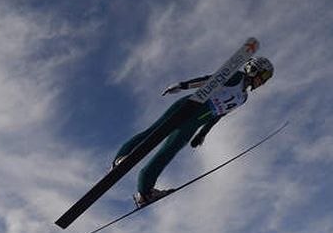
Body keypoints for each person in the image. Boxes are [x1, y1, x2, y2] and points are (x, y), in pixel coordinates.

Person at [114, 56, 274, 206]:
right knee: (154, 132)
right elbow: (209, 81)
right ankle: (121, 158)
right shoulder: (237, 77)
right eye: (265, 75)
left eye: (267, 78)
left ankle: (145, 192)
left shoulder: (243, 98)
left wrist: (203, 133)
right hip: (190, 107)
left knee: (168, 152)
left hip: (197, 121)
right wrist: (183, 85)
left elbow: (219, 115)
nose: (264, 81)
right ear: (254, 69)